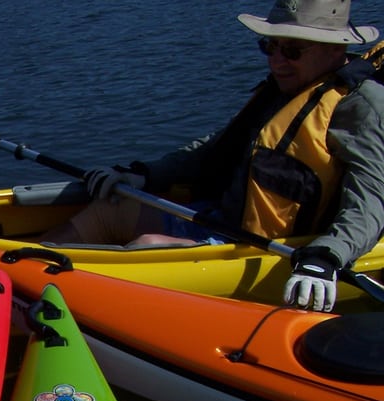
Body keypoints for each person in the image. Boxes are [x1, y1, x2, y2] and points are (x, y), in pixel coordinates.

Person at [42, 0, 384, 313]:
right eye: (270, 46)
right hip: (222, 218)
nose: (276, 61)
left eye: (292, 50)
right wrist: (143, 174)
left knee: (147, 245)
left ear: (335, 48)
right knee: (112, 208)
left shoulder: (361, 108)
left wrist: (327, 256)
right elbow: (212, 150)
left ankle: (48, 292)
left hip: (266, 247)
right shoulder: (287, 87)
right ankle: (30, 268)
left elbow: (371, 203)